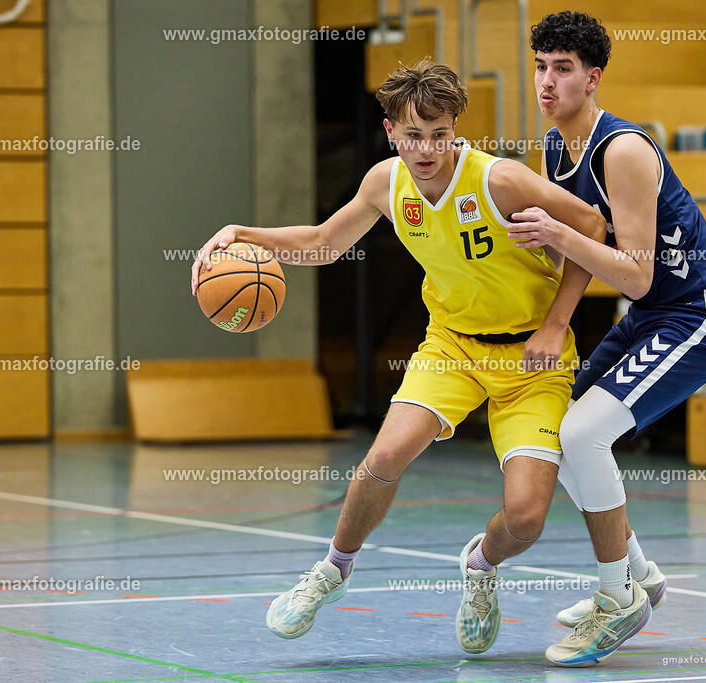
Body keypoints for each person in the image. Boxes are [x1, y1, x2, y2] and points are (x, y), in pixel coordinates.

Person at [190, 59, 610, 657]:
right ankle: (332, 570)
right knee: (384, 453)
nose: (428, 149)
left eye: (440, 135)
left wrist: (555, 324)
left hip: (531, 358)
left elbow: (593, 223)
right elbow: (323, 243)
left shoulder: (501, 181)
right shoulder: (385, 184)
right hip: (452, 346)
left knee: (525, 520)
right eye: (414, 135)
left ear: (455, 129)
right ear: (391, 132)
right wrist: (242, 233)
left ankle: (481, 565)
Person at [506, 11, 706, 666]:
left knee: (586, 433)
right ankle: (639, 576)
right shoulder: (558, 149)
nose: (546, 82)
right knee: (561, 430)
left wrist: (557, 235)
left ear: (593, 78)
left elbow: (637, 276)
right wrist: (549, 315)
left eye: (562, 69)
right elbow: (588, 250)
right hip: (654, 315)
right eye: (540, 66)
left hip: (698, 310)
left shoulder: (625, 150)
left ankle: (616, 598)